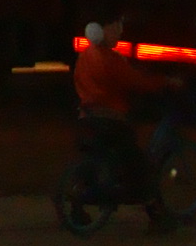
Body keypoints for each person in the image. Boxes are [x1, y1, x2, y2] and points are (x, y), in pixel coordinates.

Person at [72, 17, 182, 232]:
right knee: (138, 166)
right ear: (103, 31)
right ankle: (156, 214)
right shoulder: (111, 59)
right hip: (111, 122)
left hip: (87, 118)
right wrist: (166, 81)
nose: (119, 33)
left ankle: (77, 206)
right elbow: (136, 82)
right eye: (115, 29)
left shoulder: (84, 57)